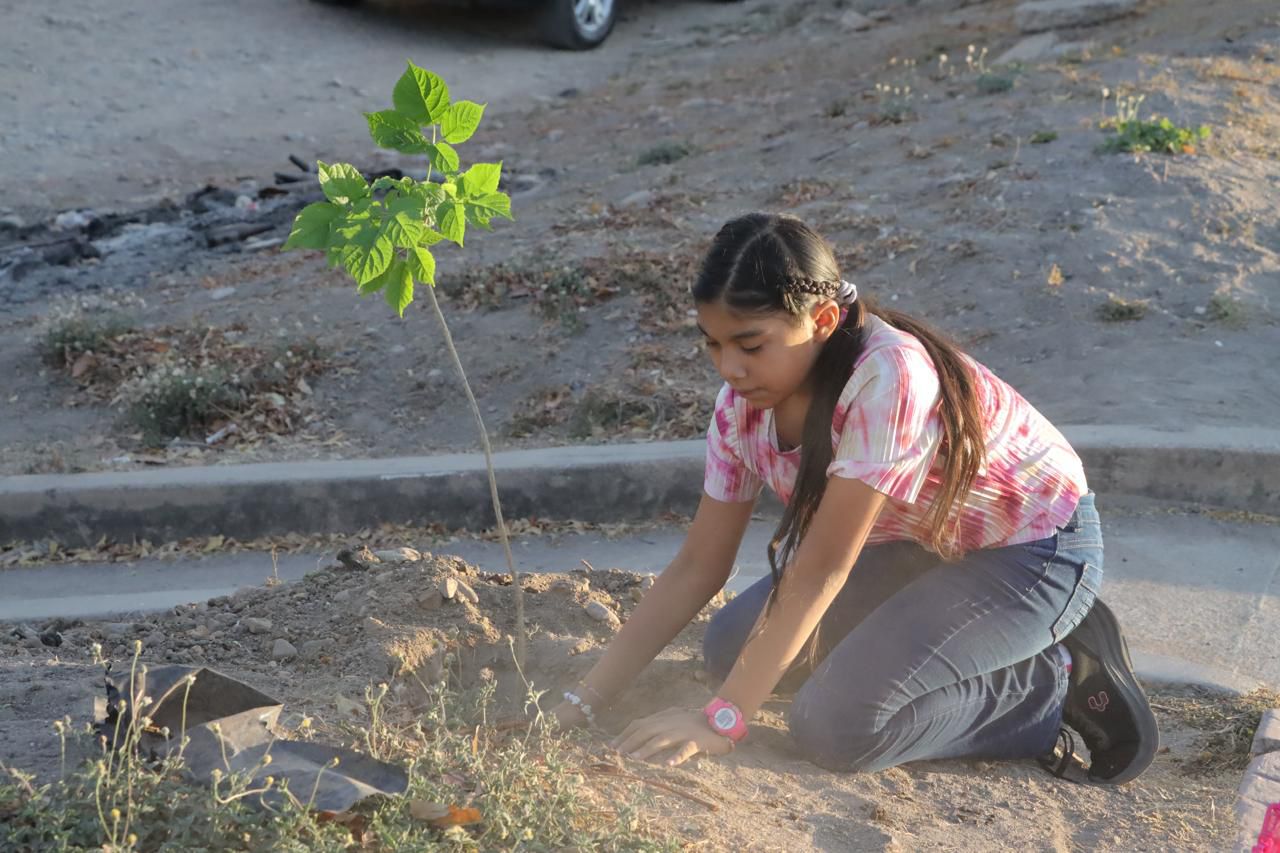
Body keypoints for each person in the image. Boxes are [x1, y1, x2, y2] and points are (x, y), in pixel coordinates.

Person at [551, 212, 1158, 784]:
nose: (729, 367)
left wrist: (721, 722)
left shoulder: (888, 379)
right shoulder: (740, 410)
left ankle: (1048, 682)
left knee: (836, 727)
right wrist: (585, 698)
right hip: (918, 548)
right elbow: (697, 566)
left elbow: (821, 570)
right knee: (728, 648)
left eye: (751, 343)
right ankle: (974, 643)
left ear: (821, 321)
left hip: (1036, 552)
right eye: (713, 343)